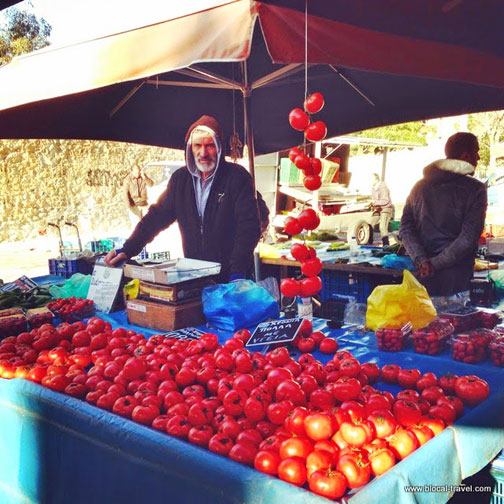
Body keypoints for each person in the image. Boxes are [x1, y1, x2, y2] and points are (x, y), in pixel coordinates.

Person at [106, 115, 262, 283]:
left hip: (230, 276)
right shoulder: (180, 179)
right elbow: (156, 218)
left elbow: (249, 228)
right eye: (198, 145)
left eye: (209, 145)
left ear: (219, 147)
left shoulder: (237, 177)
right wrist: (128, 249)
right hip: (194, 274)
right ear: (190, 148)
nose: (203, 153)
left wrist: (237, 271)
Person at [399, 132, 487, 296]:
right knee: (453, 319)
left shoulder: (419, 186)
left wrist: (421, 260)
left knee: (427, 319)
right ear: (466, 156)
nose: (479, 157)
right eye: (476, 152)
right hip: (456, 276)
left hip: (423, 272)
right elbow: (468, 238)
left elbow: (405, 229)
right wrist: (435, 264)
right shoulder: (475, 189)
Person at [369, 173, 394, 246]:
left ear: (376, 179)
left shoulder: (383, 187)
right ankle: (369, 242)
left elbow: (386, 200)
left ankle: (386, 245)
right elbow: (374, 199)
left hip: (386, 208)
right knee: (370, 224)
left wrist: (375, 202)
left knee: (382, 227)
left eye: (371, 179)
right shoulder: (373, 187)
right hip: (378, 207)